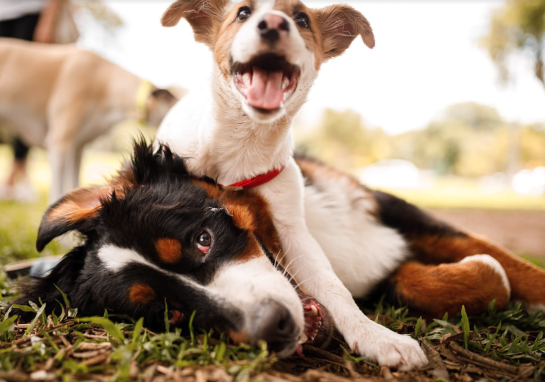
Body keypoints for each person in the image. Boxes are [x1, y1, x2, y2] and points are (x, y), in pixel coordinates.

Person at [0, 0, 49, 201]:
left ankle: (15, 176)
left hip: (31, 12)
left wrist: (49, 21)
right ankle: (19, 177)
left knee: (27, 99)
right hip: (3, 13)